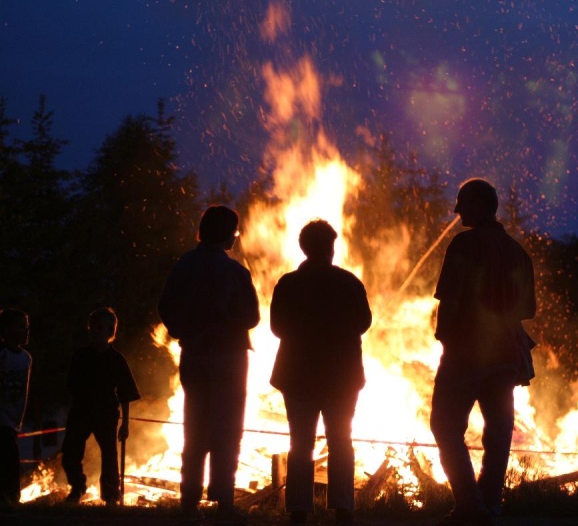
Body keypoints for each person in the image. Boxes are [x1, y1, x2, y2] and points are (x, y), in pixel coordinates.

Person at [430, 178, 537, 526]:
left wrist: (446, 339)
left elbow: (451, 300)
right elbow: (527, 310)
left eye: (462, 202)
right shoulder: (517, 252)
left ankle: (469, 504)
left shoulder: (464, 245)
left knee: (445, 426)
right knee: (498, 432)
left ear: (478, 205)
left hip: (467, 351)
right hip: (506, 355)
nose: (457, 210)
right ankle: (490, 504)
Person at [158, 205, 260, 523]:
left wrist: (184, 330)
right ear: (228, 234)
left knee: (195, 426)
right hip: (230, 358)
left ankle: (189, 500)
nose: (235, 237)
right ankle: (223, 500)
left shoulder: (185, 265)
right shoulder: (235, 272)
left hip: (195, 355)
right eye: (235, 231)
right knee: (227, 430)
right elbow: (253, 317)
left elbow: (166, 306)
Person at [269, 219, 372, 525]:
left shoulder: (288, 284)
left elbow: (277, 328)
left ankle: (298, 509)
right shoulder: (349, 283)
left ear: (303, 248)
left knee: (300, 442)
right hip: (341, 376)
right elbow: (364, 322)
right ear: (330, 247)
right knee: (341, 439)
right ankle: (342, 507)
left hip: (298, 374)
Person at [61, 307, 141, 506]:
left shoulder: (116, 359)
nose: (95, 331)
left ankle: (111, 495)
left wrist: (125, 423)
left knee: (109, 456)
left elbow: (126, 393)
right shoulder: (80, 356)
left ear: (110, 331)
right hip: (81, 411)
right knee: (71, 451)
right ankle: (77, 487)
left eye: (100, 328)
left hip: (106, 413)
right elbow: (71, 386)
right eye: (92, 327)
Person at [0, 308, 32, 504]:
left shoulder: (26, 358)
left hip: (14, 419)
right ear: (7, 330)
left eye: (27, 327)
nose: (26, 331)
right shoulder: (2, 354)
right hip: (1, 417)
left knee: (10, 456)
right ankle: (10, 497)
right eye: (21, 326)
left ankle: (10, 497)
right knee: (8, 456)